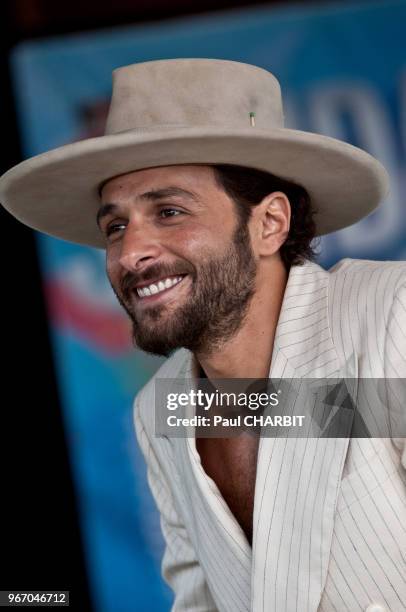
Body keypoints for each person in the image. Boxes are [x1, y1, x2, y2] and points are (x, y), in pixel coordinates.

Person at [0, 59, 405, 612]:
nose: (129, 252)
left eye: (168, 211)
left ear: (269, 224)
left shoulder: (390, 314)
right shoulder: (161, 410)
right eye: (114, 225)